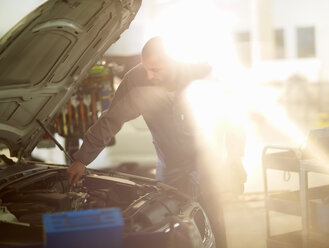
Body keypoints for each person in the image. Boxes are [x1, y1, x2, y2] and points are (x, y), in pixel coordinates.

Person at [67, 36, 246, 248]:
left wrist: (235, 158)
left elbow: (234, 120)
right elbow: (111, 120)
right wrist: (81, 159)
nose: (149, 76)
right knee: (173, 227)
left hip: (208, 165)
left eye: (156, 70)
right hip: (171, 167)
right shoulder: (136, 81)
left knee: (212, 223)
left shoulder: (203, 77)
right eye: (146, 69)